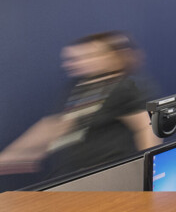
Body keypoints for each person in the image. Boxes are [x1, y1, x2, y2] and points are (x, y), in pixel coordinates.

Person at [0, 31, 157, 180]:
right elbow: (56, 125)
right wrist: (12, 156)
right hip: (73, 173)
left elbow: (146, 128)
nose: (73, 64)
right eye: (72, 59)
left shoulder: (125, 87)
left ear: (110, 56)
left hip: (107, 176)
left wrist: (146, 170)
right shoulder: (78, 86)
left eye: (86, 57)